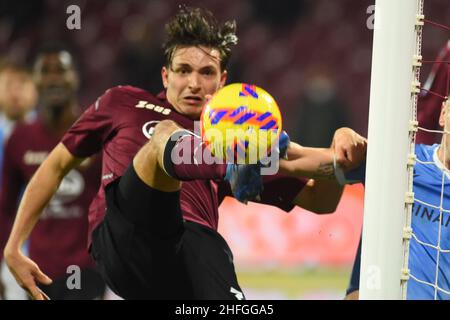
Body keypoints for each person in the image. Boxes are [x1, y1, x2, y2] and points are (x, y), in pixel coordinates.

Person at [4, 6, 365, 300]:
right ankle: (237, 162)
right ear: (165, 75)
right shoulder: (123, 102)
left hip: (190, 250)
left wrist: (341, 156)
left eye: (206, 72)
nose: (193, 83)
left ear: (223, 80)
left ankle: (247, 160)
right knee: (163, 137)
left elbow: (323, 202)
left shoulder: (230, 131)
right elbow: (55, 166)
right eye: (183, 71)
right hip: (125, 235)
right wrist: (14, 246)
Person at [345, 41, 450, 299]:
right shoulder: (403, 166)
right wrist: (345, 136)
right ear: (445, 112)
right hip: (415, 168)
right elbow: (328, 165)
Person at [0, 47, 106, 300]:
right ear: (35, 79)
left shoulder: (98, 133)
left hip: (87, 269)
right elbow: (5, 208)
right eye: (45, 71)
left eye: (61, 70)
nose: (54, 78)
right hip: (36, 270)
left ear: (76, 77)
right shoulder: (19, 138)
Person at [0, 61, 37, 300]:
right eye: (8, 85)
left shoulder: (54, 133)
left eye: (22, 84)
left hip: (42, 248)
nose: (15, 92)